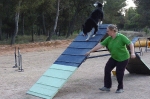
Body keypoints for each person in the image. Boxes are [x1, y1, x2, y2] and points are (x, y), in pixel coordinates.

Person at [85, 24, 136, 93]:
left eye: (108, 31)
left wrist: (132, 53)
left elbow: (130, 44)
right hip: (114, 57)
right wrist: (90, 51)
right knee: (107, 69)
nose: (107, 32)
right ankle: (107, 86)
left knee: (119, 73)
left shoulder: (121, 37)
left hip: (123, 58)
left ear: (112, 31)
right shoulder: (109, 38)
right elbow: (100, 45)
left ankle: (120, 88)